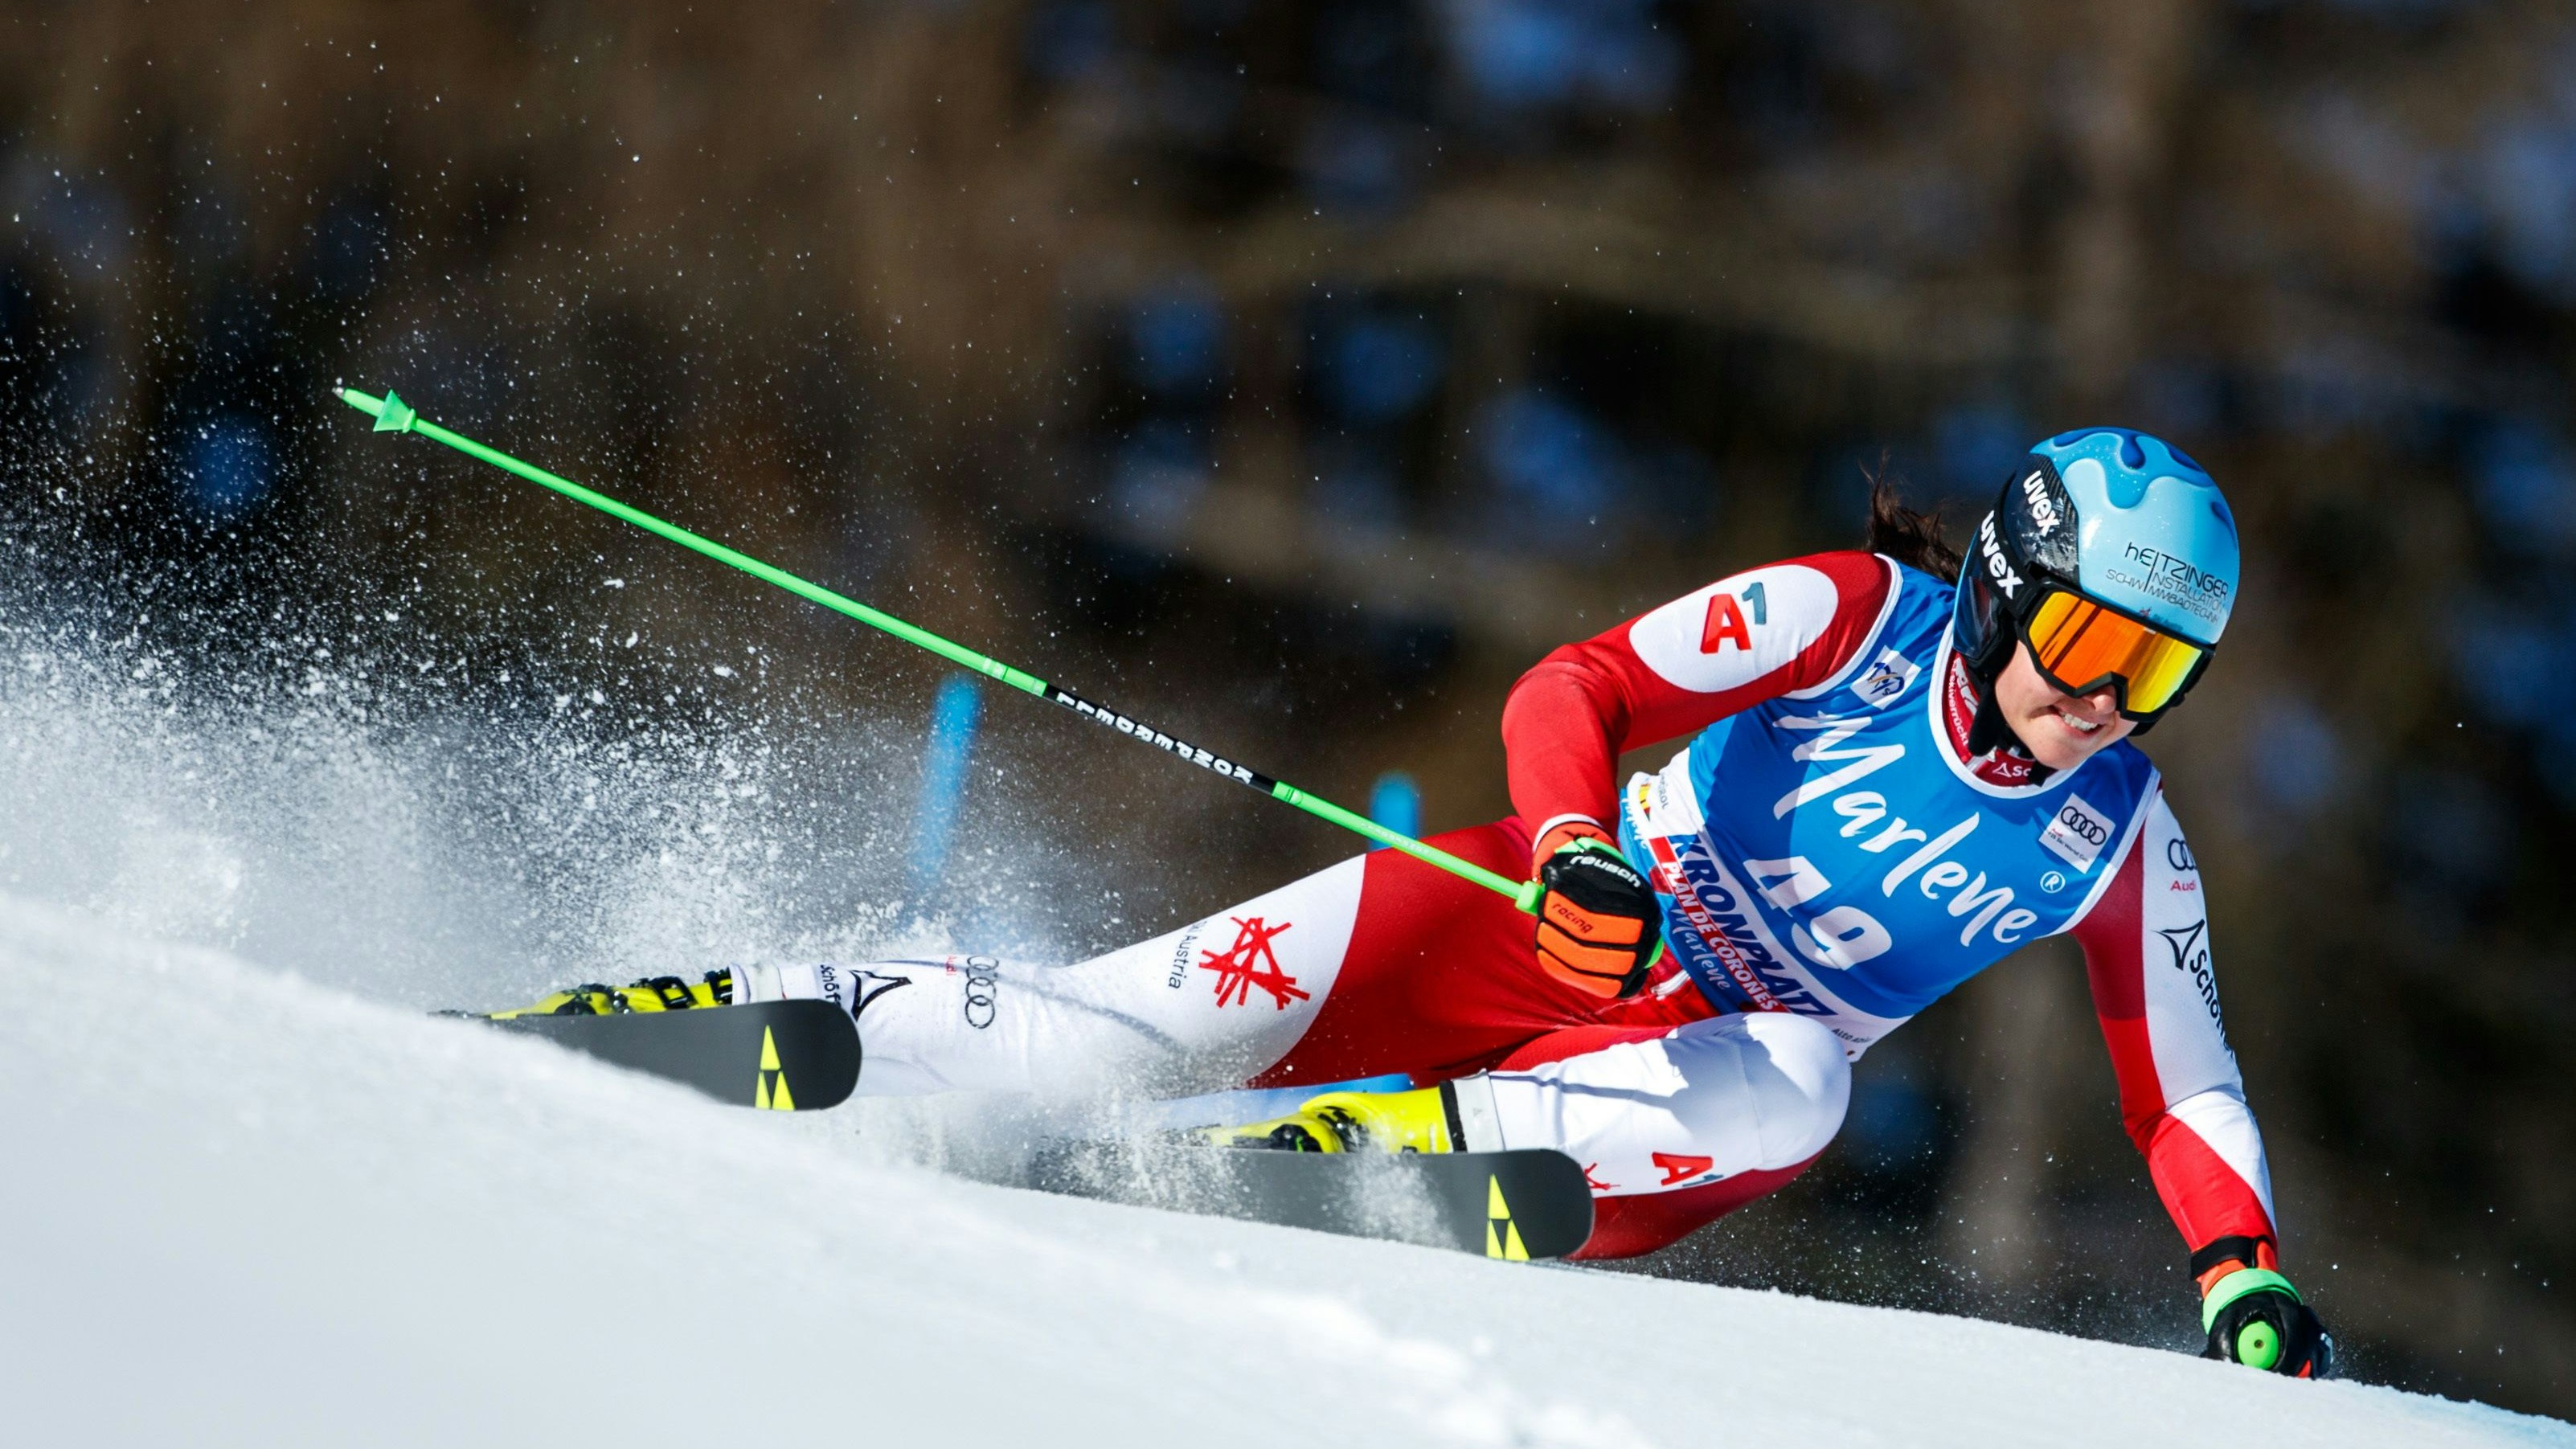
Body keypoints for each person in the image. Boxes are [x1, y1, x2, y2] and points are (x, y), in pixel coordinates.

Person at [504, 427, 2330, 1377]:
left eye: (2155, 672)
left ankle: (1346, 1153)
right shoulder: (1859, 616)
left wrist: (2238, 1272)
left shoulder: (2114, 836)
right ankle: (709, 1029)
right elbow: (1576, 689)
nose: (2103, 695)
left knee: (1803, 1073)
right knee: (1097, 1030)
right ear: (2010, 586)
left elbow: (2180, 1081)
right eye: (2089, 637)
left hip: (1659, 1092)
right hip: (1531, 919)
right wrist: (1569, 846)